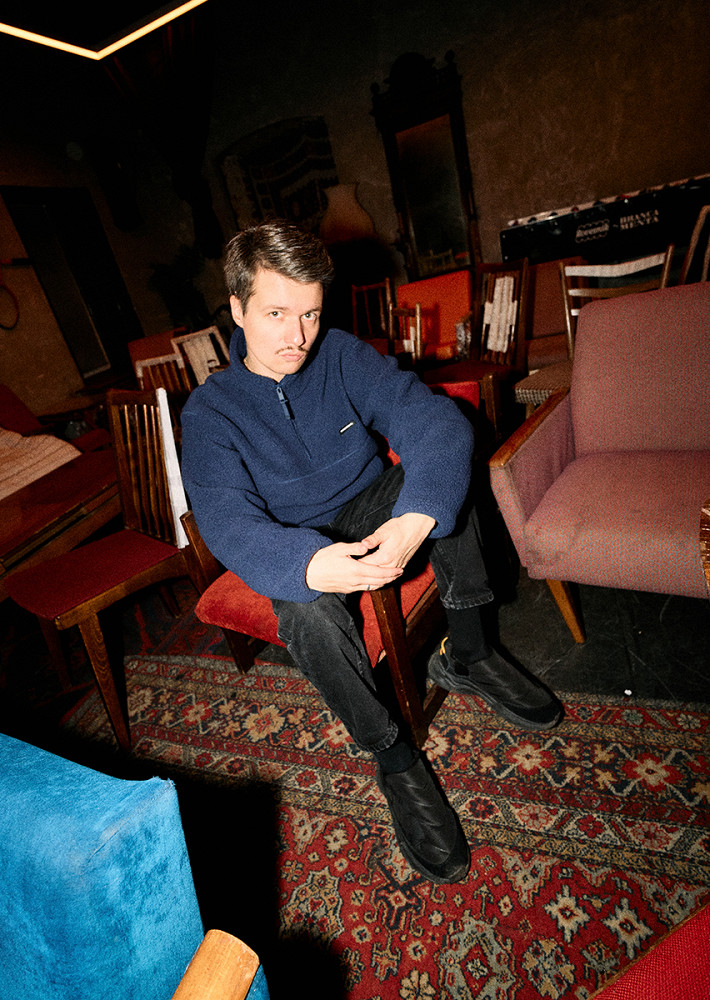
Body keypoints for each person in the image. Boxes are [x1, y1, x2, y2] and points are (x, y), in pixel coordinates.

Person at [181, 220, 562, 884]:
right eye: (276, 314)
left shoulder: (341, 355)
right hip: (291, 535)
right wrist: (307, 564)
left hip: (368, 503)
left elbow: (435, 421)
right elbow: (224, 519)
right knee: (306, 613)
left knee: (442, 475)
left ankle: (470, 654)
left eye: (310, 313)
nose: (298, 336)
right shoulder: (210, 412)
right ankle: (395, 759)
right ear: (237, 310)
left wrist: (417, 515)